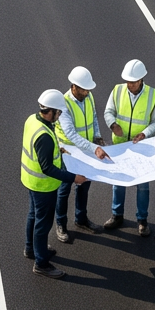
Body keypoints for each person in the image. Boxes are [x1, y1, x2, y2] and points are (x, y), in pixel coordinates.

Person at [21, 90, 88, 279]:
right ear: (49, 111)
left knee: (33, 216)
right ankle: (41, 263)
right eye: (58, 113)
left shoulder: (32, 120)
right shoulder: (44, 135)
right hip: (43, 186)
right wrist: (73, 177)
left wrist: (58, 149)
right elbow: (47, 168)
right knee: (43, 225)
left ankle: (30, 249)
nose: (59, 117)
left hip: (30, 180)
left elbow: (37, 148)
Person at [103, 59, 155, 236]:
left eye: (134, 82)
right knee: (118, 182)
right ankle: (116, 215)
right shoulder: (117, 90)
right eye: (128, 81)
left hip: (141, 147)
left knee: (143, 185)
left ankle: (142, 220)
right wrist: (113, 125)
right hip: (120, 146)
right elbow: (108, 112)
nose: (130, 85)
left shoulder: (153, 95)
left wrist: (144, 133)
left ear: (142, 79)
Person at [54, 66, 109, 243]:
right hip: (68, 152)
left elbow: (93, 118)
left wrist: (97, 137)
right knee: (64, 189)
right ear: (74, 86)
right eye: (83, 89)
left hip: (85, 150)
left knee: (84, 185)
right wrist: (94, 148)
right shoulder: (63, 104)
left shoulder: (88, 96)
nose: (86, 92)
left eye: (88, 90)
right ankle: (61, 224)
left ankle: (81, 219)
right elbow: (70, 133)